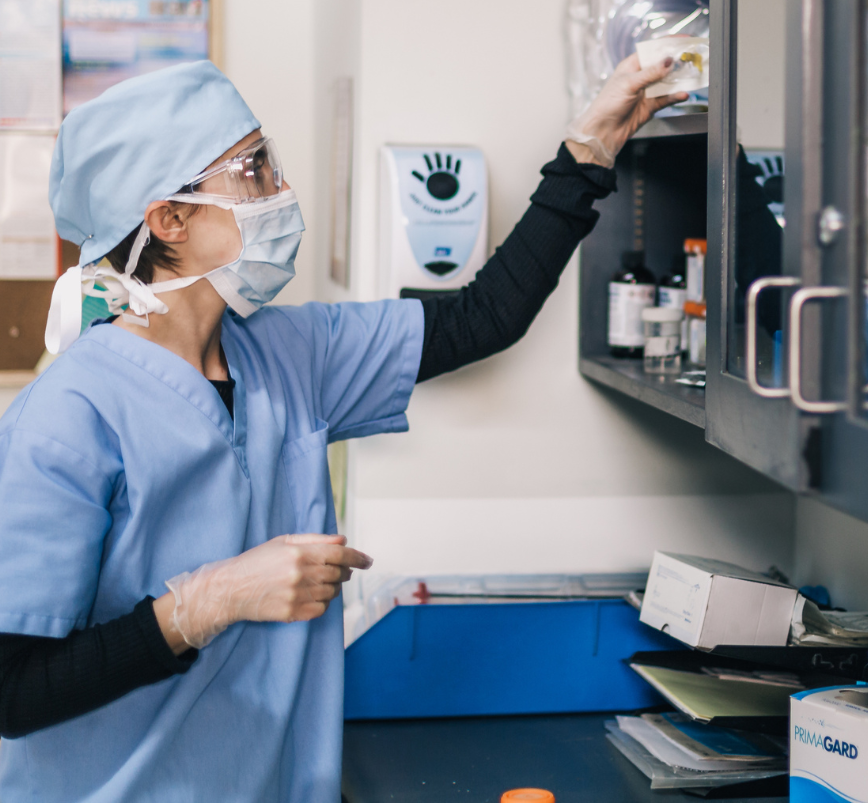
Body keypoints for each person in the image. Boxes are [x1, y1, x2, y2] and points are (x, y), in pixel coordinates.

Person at [0, 56, 687, 803]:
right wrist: (209, 602)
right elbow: (14, 693)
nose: (282, 191)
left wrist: (588, 153)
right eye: (253, 171)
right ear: (169, 219)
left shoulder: (289, 351)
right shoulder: (68, 416)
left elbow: (484, 317)